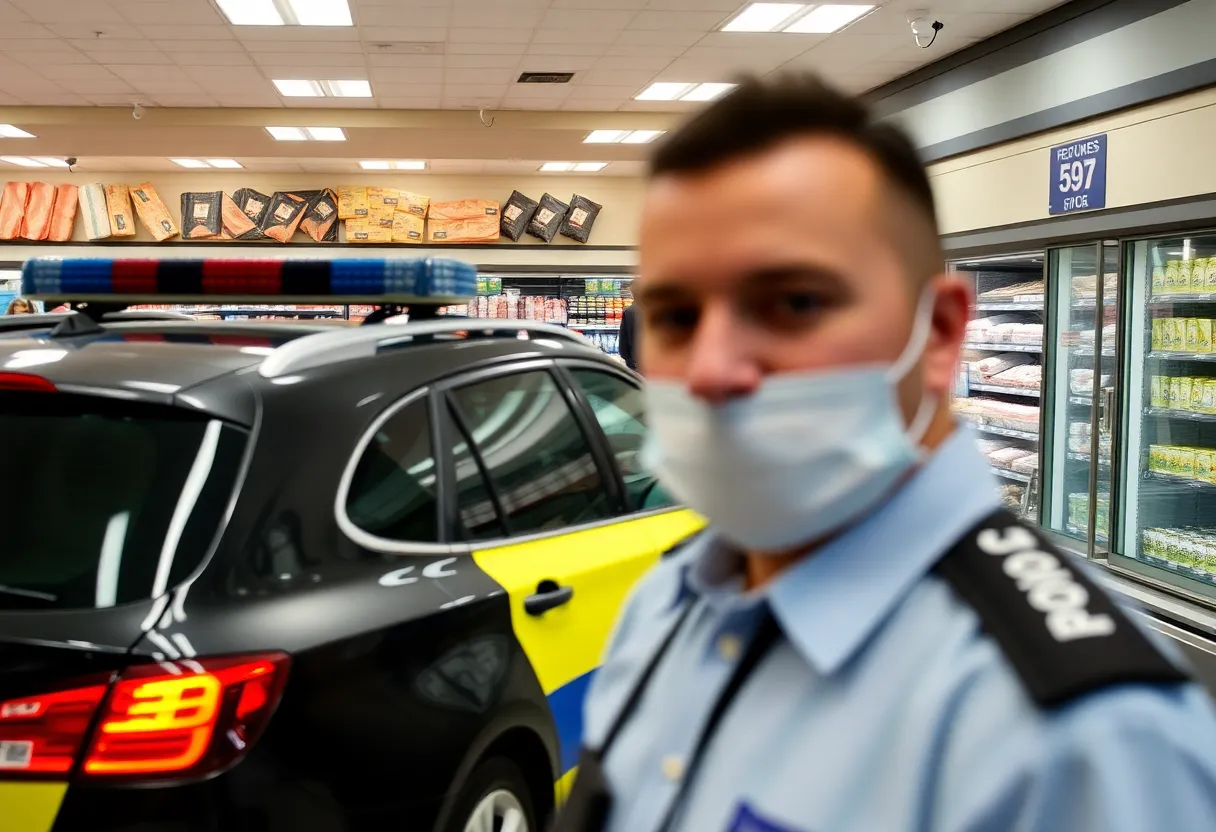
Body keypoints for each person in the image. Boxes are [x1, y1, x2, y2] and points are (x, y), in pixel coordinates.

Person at [557, 74, 1216, 832]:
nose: (710, 369)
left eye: (794, 303)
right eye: (675, 316)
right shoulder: (669, 606)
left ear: (937, 335)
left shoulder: (1082, 736)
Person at [619, 301, 638, 371]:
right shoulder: (659, 310)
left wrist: (626, 357)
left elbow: (623, 338)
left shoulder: (629, 311)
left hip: (634, 360)